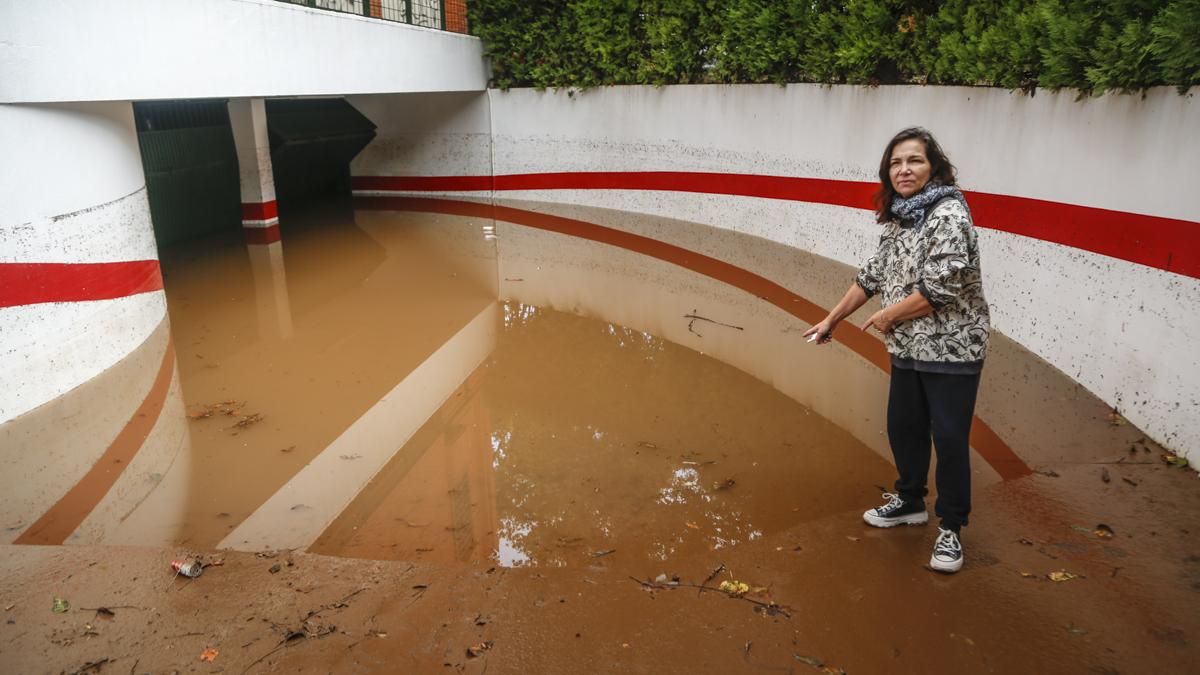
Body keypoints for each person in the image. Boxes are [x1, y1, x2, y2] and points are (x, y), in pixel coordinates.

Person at [802, 127, 990, 574]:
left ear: (934, 167)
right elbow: (871, 274)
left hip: (953, 349)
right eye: (896, 163)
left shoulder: (948, 214)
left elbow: (939, 289)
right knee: (903, 427)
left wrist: (887, 317)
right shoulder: (900, 217)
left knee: (948, 438)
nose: (904, 170)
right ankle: (909, 502)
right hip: (909, 346)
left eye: (915, 161)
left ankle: (951, 529)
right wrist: (832, 319)